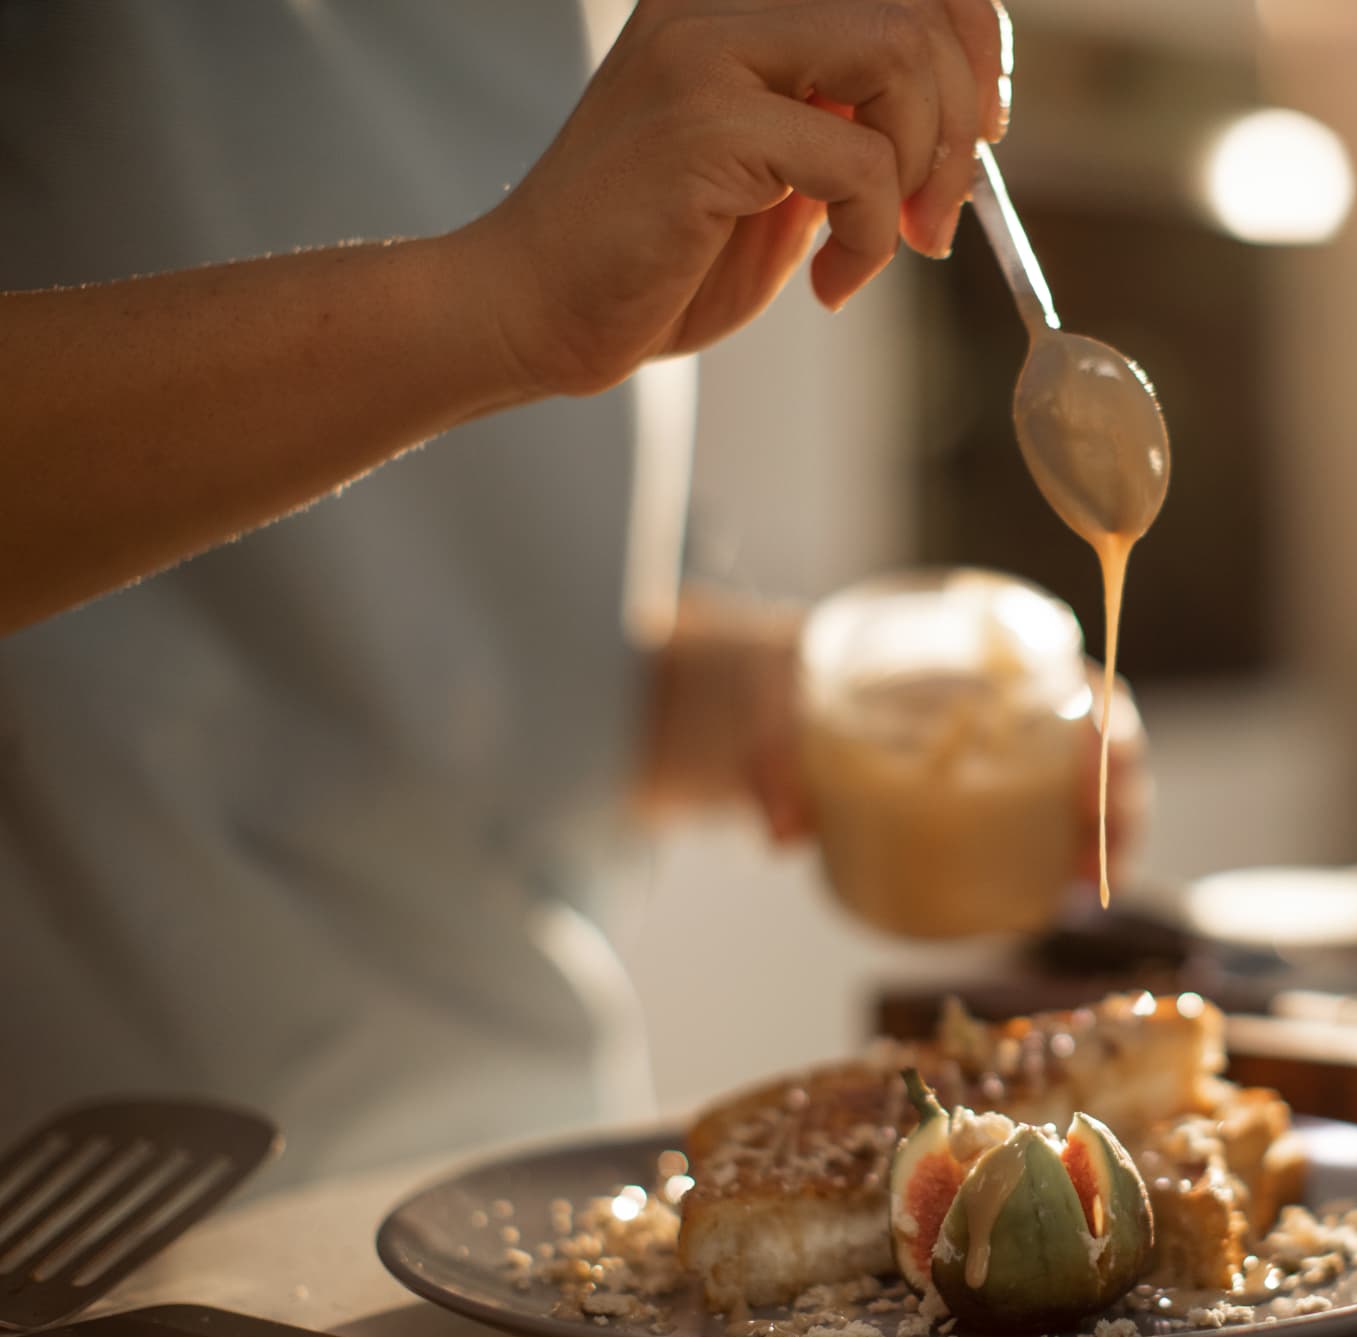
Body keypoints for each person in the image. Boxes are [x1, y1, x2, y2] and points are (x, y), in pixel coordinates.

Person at [0, 0, 1133, 1189]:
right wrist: (496, 302)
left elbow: (535, 658)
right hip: (92, 1208)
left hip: (515, 1166)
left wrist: (854, 709)